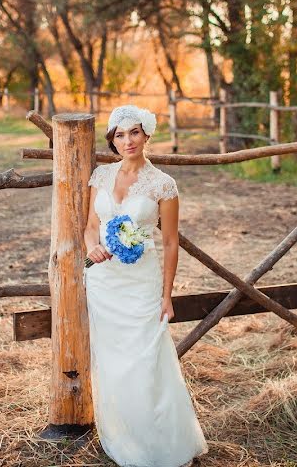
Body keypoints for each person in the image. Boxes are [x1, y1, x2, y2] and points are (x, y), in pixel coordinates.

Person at [83, 104, 208, 467]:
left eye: (134, 132)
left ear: (146, 134)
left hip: (142, 283)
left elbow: (169, 243)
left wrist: (166, 295)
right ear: (112, 141)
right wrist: (92, 245)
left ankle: (161, 442)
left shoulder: (163, 185)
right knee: (112, 361)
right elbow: (91, 223)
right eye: (120, 135)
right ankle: (124, 436)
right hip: (104, 281)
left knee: (145, 359)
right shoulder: (101, 177)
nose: (128, 140)